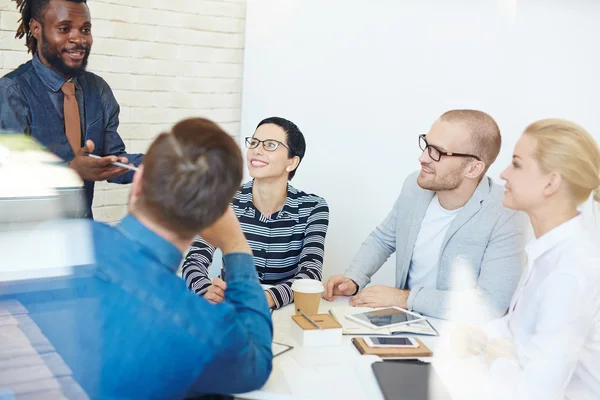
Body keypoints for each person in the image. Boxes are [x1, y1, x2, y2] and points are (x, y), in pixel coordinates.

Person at [0, 118, 273, 398]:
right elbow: (257, 364)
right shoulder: (198, 328)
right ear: (212, 217)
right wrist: (236, 243)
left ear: (139, 181)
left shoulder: (47, 241)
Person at [324, 109, 527, 321]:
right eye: (426, 145)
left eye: (437, 152)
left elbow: (490, 303)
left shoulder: (506, 212)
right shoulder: (415, 186)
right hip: (404, 324)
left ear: (473, 168)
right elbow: (384, 239)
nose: (422, 158)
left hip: (458, 337)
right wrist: (353, 278)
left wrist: (404, 298)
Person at [456, 119, 600, 399]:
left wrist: (495, 358)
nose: (504, 174)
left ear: (551, 182)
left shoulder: (570, 271)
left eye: (517, 164)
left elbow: (536, 393)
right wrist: (482, 335)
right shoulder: (548, 252)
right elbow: (516, 330)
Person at [0, 0, 143, 218]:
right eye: (64, 29)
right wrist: (70, 171)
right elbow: (8, 179)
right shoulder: (12, 92)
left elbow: (112, 159)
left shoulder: (98, 90)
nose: (78, 39)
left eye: (85, 29)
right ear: (36, 29)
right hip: (29, 241)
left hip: (81, 236)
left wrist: (163, 164)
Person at [182, 117, 329, 309]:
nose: (256, 150)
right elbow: (194, 260)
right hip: (230, 305)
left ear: (292, 162)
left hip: (284, 310)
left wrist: (267, 297)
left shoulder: (313, 208)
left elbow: (310, 274)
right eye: (254, 142)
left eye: (270, 145)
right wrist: (205, 288)